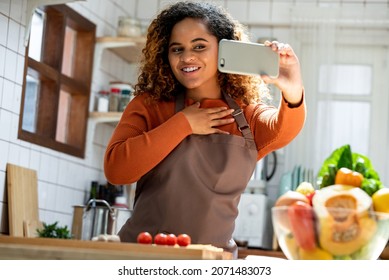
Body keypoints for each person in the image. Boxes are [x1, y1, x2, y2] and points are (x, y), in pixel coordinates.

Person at [104, 1, 305, 257]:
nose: (187, 57)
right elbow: (116, 170)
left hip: (212, 263)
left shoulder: (247, 116)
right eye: (177, 49)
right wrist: (184, 124)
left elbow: (284, 128)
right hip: (141, 256)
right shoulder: (148, 105)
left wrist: (292, 88)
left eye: (200, 46)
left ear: (223, 49)